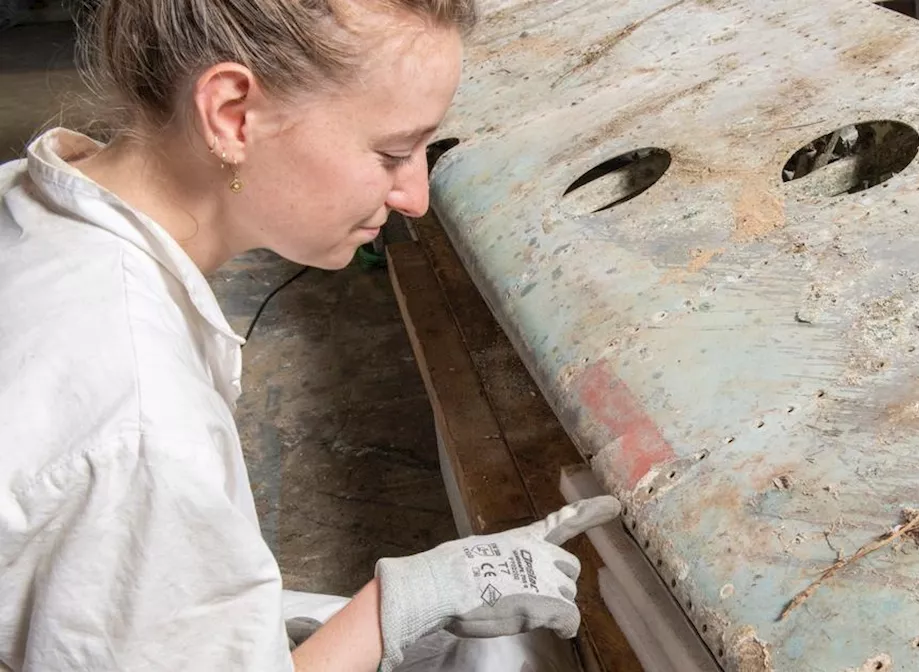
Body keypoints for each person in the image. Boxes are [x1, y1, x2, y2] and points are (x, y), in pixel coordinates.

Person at [0, 1, 622, 670]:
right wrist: (398, 604)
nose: (415, 194)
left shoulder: (30, 198)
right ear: (233, 115)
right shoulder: (144, 424)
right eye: (392, 152)